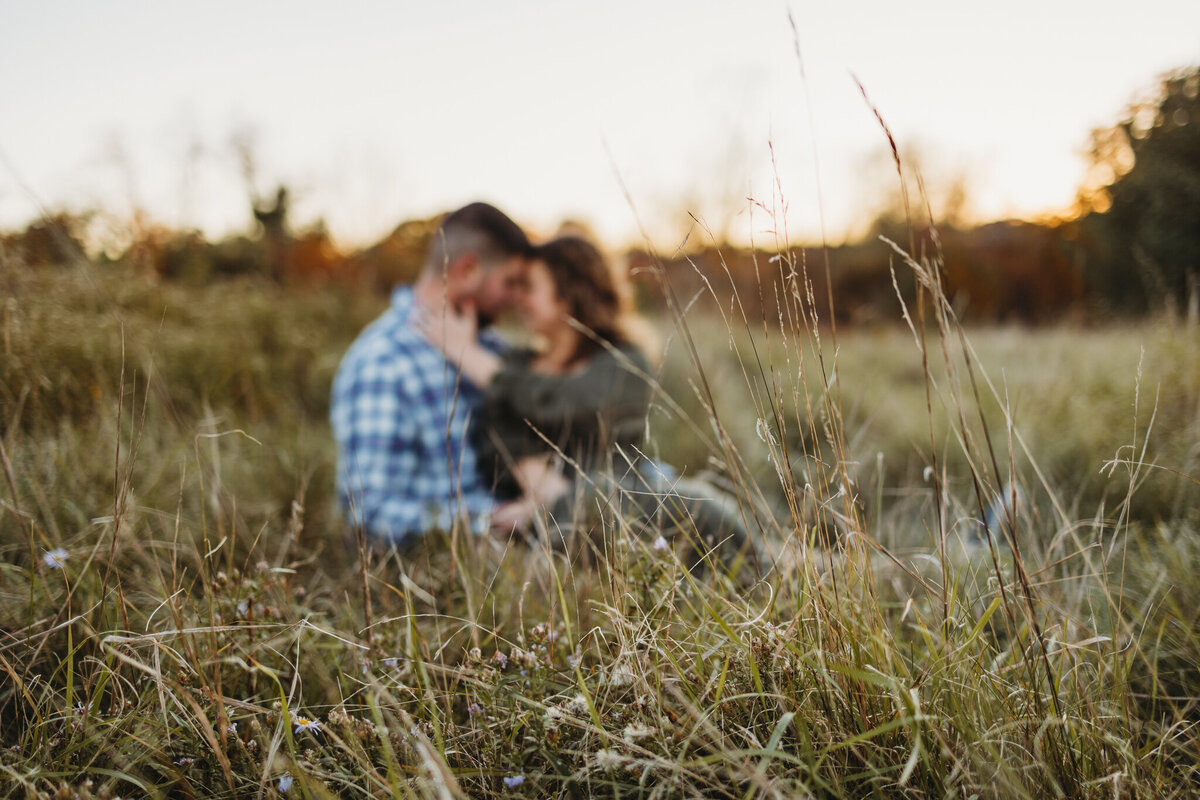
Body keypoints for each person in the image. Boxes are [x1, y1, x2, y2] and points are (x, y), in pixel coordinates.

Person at [416, 235, 765, 574]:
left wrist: (470, 356)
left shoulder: (625, 361)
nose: (517, 298)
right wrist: (539, 484)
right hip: (549, 517)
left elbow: (563, 401)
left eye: (530, 288)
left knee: (696, 508)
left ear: (568, 295)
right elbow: (495, 425)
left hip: (622, 501)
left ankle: (774, 563)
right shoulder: (519, 362)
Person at [330, 202, 531, 545]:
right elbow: (369, 514)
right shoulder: (383, 363)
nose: (514, 298)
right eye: (509, 282)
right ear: (468, 270)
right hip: (463, 573)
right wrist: (492, 521)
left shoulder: (491, 348)